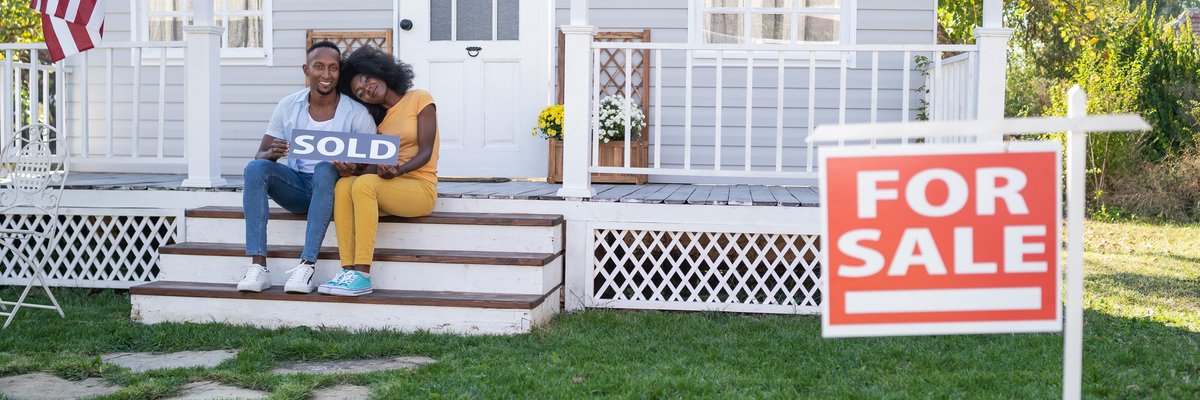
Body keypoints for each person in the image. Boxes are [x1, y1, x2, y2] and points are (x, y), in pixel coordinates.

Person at [236, 41, 377, 294]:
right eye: (319, 67)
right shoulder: (288, 106)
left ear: (339, 72)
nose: (326, 75)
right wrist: (272, 153)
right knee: (254, 168)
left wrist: (352, 169)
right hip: (297, 186)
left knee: (325, 168)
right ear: (306, 69)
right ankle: (258, 266)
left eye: (333, 68)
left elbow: (372, 166)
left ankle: (307, 266)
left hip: (333, 189)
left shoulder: (357, 113)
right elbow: (260, 155)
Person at [317, 46, 439, 297]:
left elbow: (426, 151)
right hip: (392, 187)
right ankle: (347, 270)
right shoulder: (379, 124)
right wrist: (350, 169)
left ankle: (362, 274)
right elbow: (372, 168)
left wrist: (398, 170)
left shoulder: (420, 99)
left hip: (421, 187)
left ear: (378, 71)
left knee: (364, 185)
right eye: (360, 92)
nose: (367, 89)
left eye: (366, 79)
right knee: (344, 185)